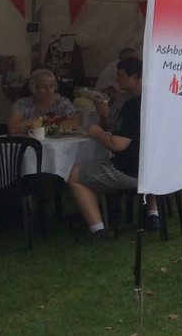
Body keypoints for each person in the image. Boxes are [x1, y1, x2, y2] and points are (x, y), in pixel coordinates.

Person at [66, 57, 156, 239]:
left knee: (73, 174)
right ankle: (150, 214)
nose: (117, 80)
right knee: (99, 165)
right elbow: (116, 132)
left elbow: (117, 144)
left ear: (135, 76)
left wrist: (98, 133)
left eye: (121, 76)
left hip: (131, 171)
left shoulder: (133, 105)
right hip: (157, 170)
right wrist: (104, 118)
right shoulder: (155, 100)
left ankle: (97, 228)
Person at [7, 68, 79, 135]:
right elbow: (12, 128)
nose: (48, 91)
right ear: (34, 88)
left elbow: (75, 123)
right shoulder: (21, 104)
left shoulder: (62, 102)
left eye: (51, 86)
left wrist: (42, 125)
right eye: (44, 87)